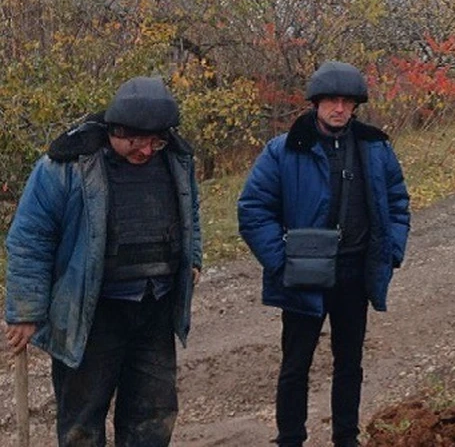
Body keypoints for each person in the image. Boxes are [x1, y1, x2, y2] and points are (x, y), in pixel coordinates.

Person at [3, 76, 202, 446]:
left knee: (153, 418)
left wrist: (193, 258)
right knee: (82, 423)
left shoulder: (176, 160)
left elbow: (190, 211)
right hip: (92, 313)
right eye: (137, 141)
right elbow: (31, 237)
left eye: (156, 140)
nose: (146, 150)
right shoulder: (67, 164)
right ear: (116, 129)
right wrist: (27, 309)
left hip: (155, 307)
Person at [238, 60, 411, 447]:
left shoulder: (375, 147)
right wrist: (282, 262)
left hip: (355, 273)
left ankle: (346, 437)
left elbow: (398, 202)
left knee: (349, 365)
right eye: (332, 100)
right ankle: (290, 438)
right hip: (303, 276)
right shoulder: (284, 150)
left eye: (348, 102)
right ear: (316, 103)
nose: (339, 108)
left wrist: (391, 251)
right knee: (295, 366)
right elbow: (253, 209)